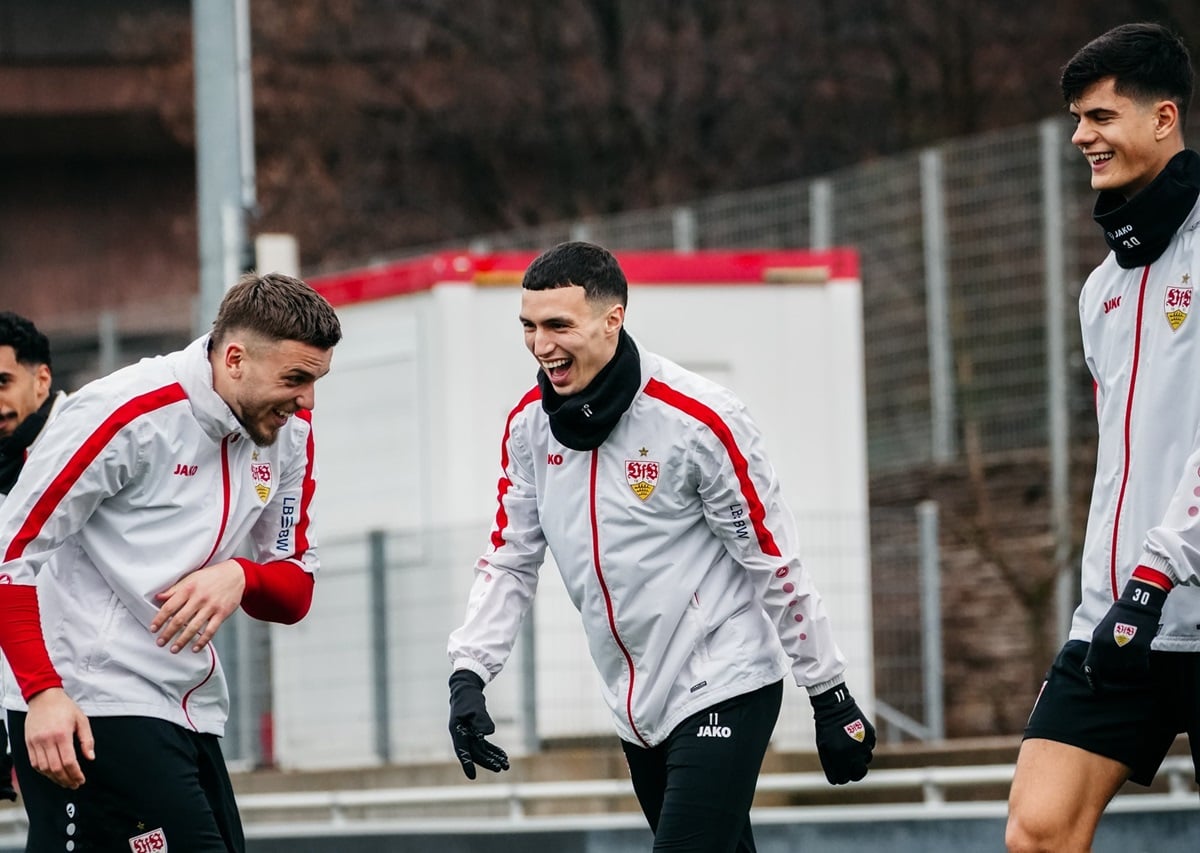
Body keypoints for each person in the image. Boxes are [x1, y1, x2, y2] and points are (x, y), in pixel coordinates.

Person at [446, 241, 875, 852]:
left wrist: (828, 692)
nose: (541, 345)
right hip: (637, 709)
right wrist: (468, 673)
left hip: (726, 678)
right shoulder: (528, 428)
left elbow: (771, 559)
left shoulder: (699, 419)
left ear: (612, 319)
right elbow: (511, 560)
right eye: (529, 326)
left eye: (559, 325)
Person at [0, 272, 341, 852]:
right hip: (86, 703)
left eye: (316, 380)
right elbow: (11, 558)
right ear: (235, 359)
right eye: (295, 379)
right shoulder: (124, 412)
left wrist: (241, 575)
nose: (307, 400)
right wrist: (42, 695)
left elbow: (294, 590)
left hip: (189, 705)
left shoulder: (290, 433)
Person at [1006, 22, 1200, 853]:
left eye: (1100, 116)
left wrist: (1161, 567)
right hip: (1116, 618)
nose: (1081, 136)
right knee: (1038, 829)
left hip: (1166, 588)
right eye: (1077, 119)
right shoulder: (1101, 291)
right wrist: (1126, 589)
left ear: (1164, 117)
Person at [0, 312, 66, 804]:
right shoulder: (8, 461)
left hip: (108, 706)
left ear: (41, 379)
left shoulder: (87, 443)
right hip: (26, 708)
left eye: (2, 382)